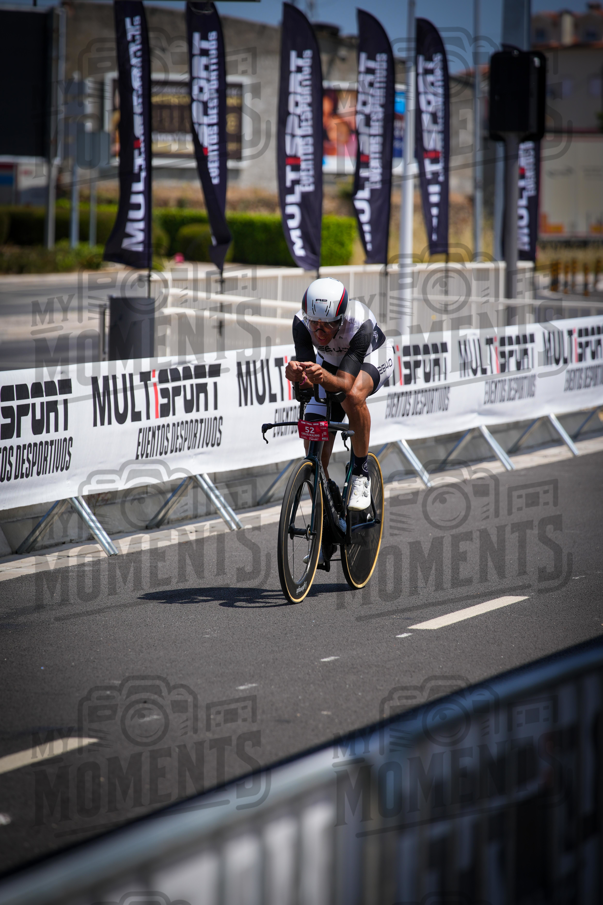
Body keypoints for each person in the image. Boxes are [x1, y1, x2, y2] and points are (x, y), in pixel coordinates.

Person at [285, 277, 394, 511]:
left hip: (370, 359)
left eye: (327, 324)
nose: (318, 330)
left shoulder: (359, 322)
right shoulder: (301, 323)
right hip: (330, 366)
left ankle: (360, 475)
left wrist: (322, 376)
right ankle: (326, 509)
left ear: (341, 318)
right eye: (313, 322)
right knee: (314, 449)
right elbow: (306, 385)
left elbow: (345, 384)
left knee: (353, 396)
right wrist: (297, 376)